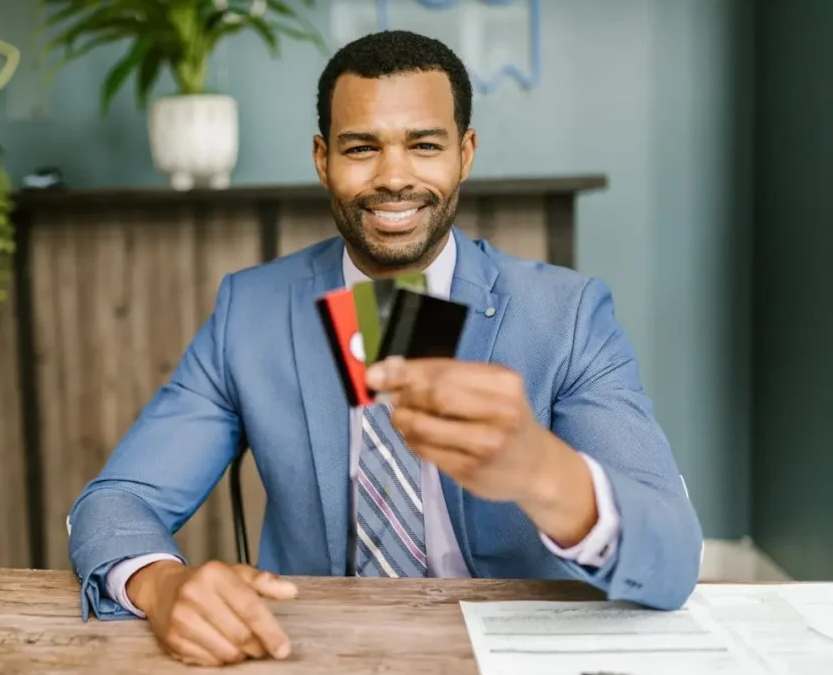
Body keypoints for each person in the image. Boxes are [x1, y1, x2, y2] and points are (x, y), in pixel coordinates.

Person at [66, 29, 703, 667]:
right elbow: (118, 500)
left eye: (424, 145)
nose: (393, 177)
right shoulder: (250, 312)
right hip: (309, 650)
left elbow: (674, 556)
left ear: (465, 153)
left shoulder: (567, 315)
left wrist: (545, 471)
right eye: (361, 148)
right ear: (323, 160)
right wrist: (160, 583)